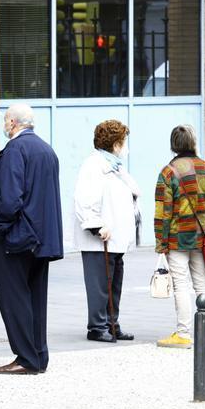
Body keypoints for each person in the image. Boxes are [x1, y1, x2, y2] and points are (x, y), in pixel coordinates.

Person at [0, 104, 63, 375]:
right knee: (35, 298)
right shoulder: (46, 150)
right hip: (41, 238)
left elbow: (9, 200)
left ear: (12, 122)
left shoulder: (14, 151)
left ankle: (25, 358)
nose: (4, 125)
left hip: (17, 237)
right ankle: (38, 355)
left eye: (5, 120)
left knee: (15, 298)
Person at [155, 124, 205, 349]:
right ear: (193, 142)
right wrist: (204, 222)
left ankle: (183, 334)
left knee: (181, 285)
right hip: (200, 237)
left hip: (176, 238)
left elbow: (162, 212)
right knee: (202, 284)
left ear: (173, 144)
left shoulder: (168, 172)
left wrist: (161, 242)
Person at [72, 119, 139, 344]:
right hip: (100, 239)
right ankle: (97, 327)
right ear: (116, 144)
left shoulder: (114, 166)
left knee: (113, 284)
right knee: (100, 285)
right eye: (124, 142)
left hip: (116, 239)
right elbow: (85, 199)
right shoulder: (93, 166)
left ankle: (112, 324)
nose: (126, 147)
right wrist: (96, 225)